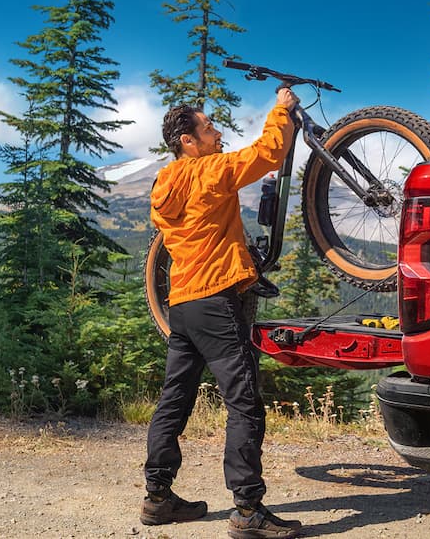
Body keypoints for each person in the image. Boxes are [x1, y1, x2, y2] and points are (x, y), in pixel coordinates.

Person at [141, 88, 303, 539]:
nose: (217, 134)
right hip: (216, 301)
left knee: (175, 398)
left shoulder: (163, 184)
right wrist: (281, 108)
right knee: (244, 401)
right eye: (208, 128)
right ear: (188, 141)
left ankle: (157, 498)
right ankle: (248, 512)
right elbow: (268, 152)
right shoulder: (209, 170)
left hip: (184, 305)